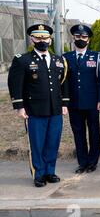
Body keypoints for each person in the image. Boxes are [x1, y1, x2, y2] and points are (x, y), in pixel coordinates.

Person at [8, 24, 69, 187]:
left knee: (52, 142)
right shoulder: (22, 60)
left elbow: (63, 84)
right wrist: (19, 106)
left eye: (45, 38)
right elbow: (15, 84)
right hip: (34, 110)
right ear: (32, 39)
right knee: (37, 143)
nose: (42, 40)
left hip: (55, 109)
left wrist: (64, 103)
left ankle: (50, 171)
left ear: (50, 39)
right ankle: (39, 173)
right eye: (38, 37)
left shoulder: (58, 60)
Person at [64, 24, 100, 174]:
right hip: (74, 103)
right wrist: (65, 102)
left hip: (92, 103)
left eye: (84, 37)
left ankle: (93, 162)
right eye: (78, 36)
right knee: (78, 133)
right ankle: (82, 162)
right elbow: (64, 83)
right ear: (73, 38)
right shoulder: (66, 57)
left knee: (94, 132)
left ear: (88, 39)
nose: (81, 39)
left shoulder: (97, 56)